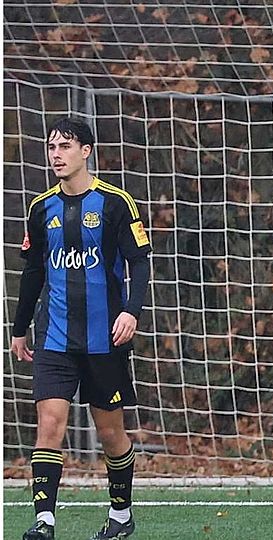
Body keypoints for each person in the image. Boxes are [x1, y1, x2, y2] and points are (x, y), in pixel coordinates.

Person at [11, 117, 152, 540]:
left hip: (103, 337)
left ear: (86, 151)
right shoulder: (41, 209)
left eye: (65, 146)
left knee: (111, 433)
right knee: (49, 425)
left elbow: (140, 262)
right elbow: (34, 271)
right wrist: (19, 329)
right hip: (54, 337)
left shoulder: (115, 202)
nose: (56, 154)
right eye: (51, 146)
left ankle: (122, 516)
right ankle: (44, 522)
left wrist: (131, 311)